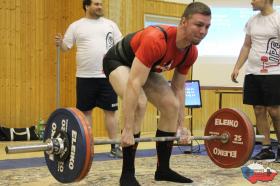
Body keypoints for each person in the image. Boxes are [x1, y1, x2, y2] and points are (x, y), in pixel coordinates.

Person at [103, 2, 211, 185]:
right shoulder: (157, 39)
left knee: (171, 106)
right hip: (118, 61)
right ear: (183, 21)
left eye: (207, 26)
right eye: (199, 25)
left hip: (145, 68)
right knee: (139, 102)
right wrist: (128, 128)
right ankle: (127, 174)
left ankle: (163, 169)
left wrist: (181, 126)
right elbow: (134, 82)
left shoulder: (190, 52)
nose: (203, 31)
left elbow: (178, 88)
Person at [55, 0, 123, 158]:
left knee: (111, 112)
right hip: (85, 77)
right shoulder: (76, 26)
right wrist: (60, 43)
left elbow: (120, 46)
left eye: (101, 4)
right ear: (86, 6)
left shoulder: (110, 25)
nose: (100, 7)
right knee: (85, 112)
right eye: (96, 4)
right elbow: (66, 48)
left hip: (107, 76)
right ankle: (88, 147)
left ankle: (115, 146)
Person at [231, 0, 280, 162]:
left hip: (274, 72)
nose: (251, 1)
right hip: (253, 72)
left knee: (275, 112)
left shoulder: (277, 19)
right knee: (259, 109)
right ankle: (266, 148)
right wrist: (237, 67)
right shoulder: (252, 21)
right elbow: (246, 46)